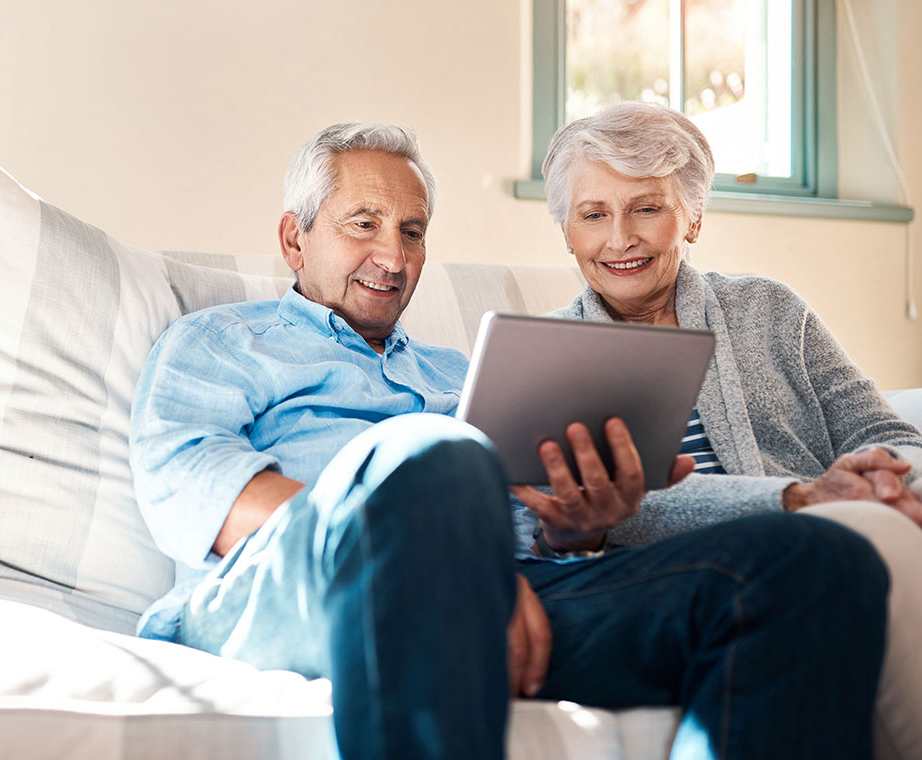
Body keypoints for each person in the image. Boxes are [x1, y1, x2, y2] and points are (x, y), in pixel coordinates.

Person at [130, 121, 889, 760]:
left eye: (413, 232)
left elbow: (536, 525)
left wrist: (581, 523)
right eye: (363, 224)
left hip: (500, 599)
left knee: (816, 563)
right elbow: (191, 483)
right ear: (294, 239)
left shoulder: (464, 373)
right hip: (285, 590)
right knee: (435, 455)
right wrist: (443, 555)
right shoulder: (223, 340)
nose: (393, 257)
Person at [540, 100, 922, 760]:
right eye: (593, 214)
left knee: (881, 519)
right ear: (567, 232)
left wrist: (885, 476)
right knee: (870, 530)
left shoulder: (767, 309)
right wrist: (801, 497)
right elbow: (614, 509)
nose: (619, 238)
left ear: (693, 217)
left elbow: (883, 429)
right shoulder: (548, 355)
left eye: (646, 208)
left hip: (831, 545)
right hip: (689, 582)